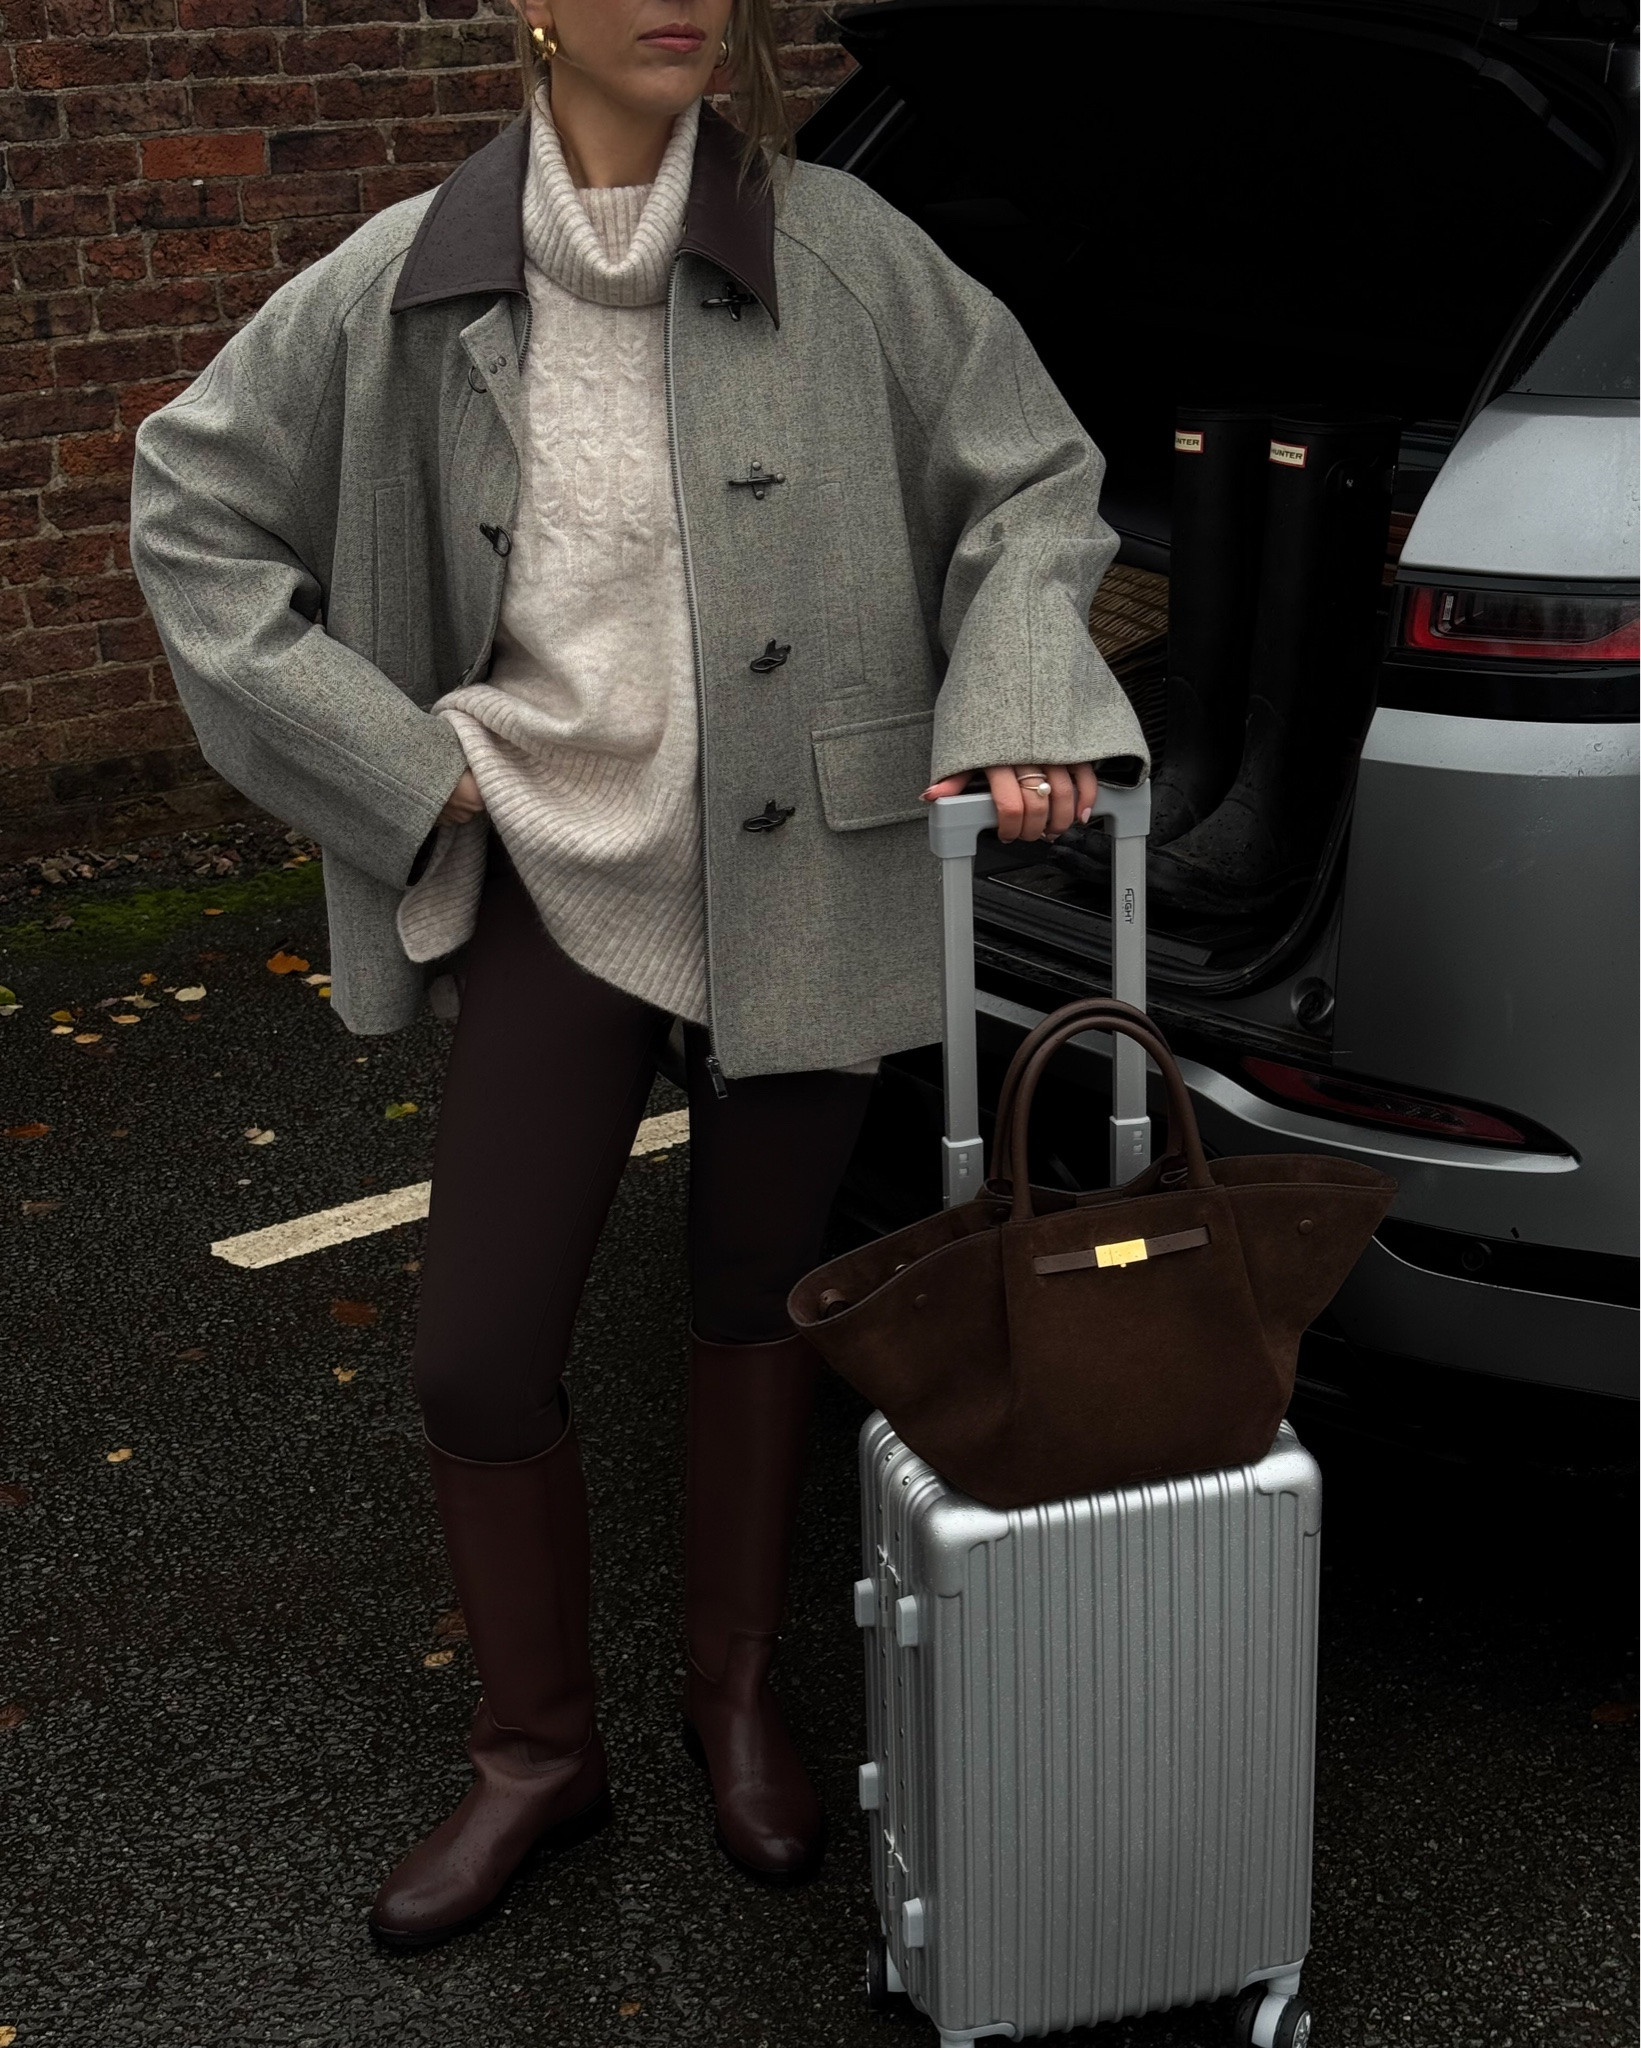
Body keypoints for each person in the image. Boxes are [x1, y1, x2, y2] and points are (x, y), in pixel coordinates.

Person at [128, 0, 1147, 1953]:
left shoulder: (846, 252)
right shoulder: (408, 278)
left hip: (807, 863)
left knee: (758, 1292)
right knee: (476, 1348)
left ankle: (733, 1690)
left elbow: (1033, 480)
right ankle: (537, 1752)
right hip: (543, 856)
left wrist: (1015, 684)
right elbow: (190, 508)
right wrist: (409, 775)